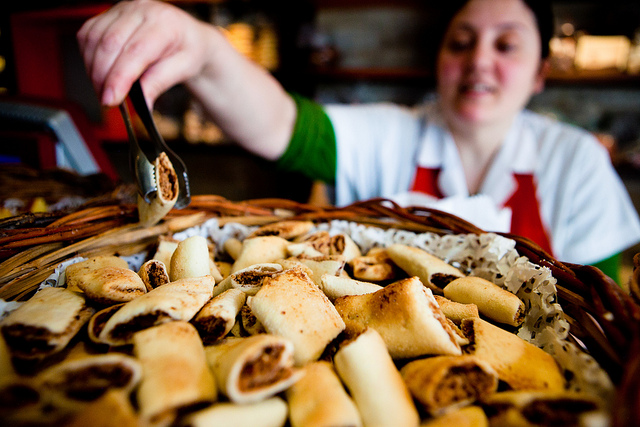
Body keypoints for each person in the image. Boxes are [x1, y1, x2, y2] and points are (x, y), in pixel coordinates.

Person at [78, 0, 640, 282]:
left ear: (541, 72)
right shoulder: (394, 133)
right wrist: (203, 49)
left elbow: (603, 312)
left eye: (506, 45)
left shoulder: (576, 161)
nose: (478, 63)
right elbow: (281, 124)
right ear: (440, 60)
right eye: (461, 43)